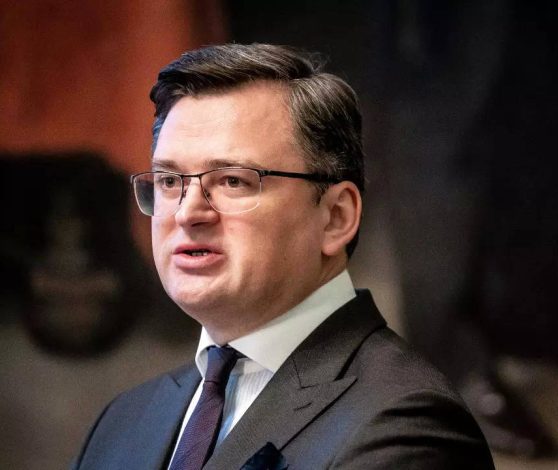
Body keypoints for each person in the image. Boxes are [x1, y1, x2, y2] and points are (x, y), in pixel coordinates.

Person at [72, 44, 493, 469]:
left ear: (336, 217)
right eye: (168, 181)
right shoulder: (122, 421)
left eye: (233, 181)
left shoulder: (406, 424)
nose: (187, 213)